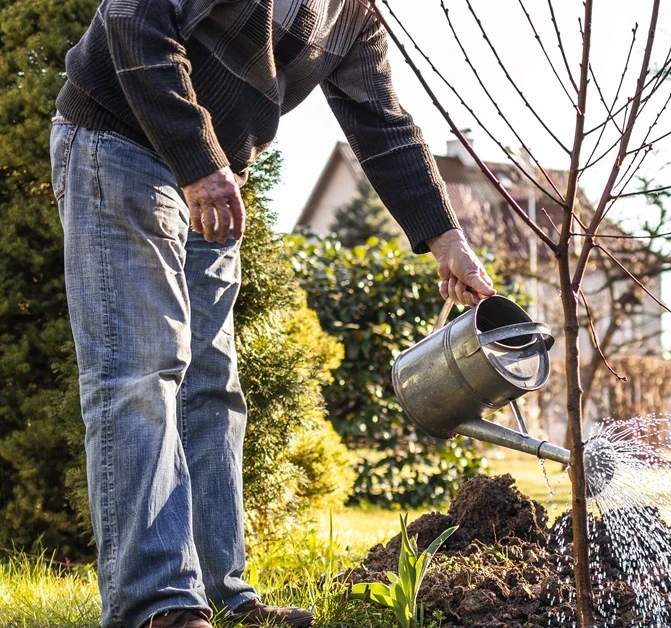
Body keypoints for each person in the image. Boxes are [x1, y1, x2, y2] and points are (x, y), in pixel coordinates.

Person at [49, 0, 495, 626]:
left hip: (212, 171)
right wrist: (198, 163)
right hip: (120, 137)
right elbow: (131, 19)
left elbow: (383, 123)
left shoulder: (355, 15)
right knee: (142, 374)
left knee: (211, 386)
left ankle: (223, 598)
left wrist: (447, 240)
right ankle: (158, 606)